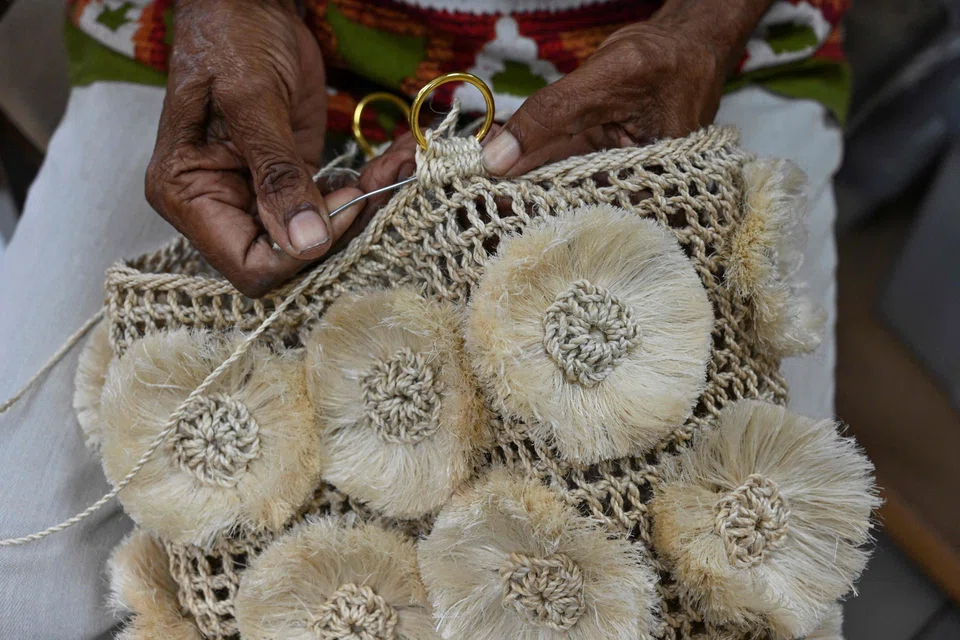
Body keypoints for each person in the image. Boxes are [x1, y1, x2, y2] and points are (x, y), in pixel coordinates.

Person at [0, 0, 847, 636]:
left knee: (758, 585)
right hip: (249, 44)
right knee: (24, 584)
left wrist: (704, 29)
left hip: (680, 56)